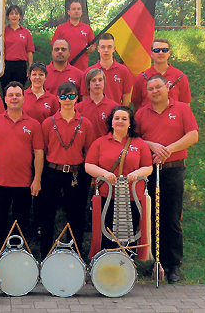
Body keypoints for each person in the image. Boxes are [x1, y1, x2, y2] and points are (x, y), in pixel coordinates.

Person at [135, 74, 198, 283]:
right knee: (151, 217)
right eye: (150, 88)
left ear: (167, 87)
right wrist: (151, 145)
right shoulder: (141, 113)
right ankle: (155, 262)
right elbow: (134, 138)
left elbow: (192, 135)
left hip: (173, 169)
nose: (154, 91)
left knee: (171, 218)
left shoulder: (181, 109)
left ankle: (173, 265)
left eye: (158, 87)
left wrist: (168, 150)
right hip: (149, 171)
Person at [0, 81, 44, 253]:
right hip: (0, 182)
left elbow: (39, 153)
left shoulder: (33, 124)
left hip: (24, 183)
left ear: (23, 98)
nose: (14, 98)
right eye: (11, 95)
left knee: (21, 224)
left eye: (17, 95)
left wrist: (37, 179)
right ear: (5, 99)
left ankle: (18, 257)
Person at [85, 106, 153, 250]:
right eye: (117, 118)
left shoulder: (139, 143)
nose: (120, 121)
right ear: (111, 122)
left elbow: (148, 167)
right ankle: (107, 265)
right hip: (107, 196)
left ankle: (127, 266)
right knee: (107, 232)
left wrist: (137, 173)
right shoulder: (100, 142)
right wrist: (104, 173)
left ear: (130, 123)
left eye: (124, 119)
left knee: (129, 234)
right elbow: (89, 165)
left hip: (132, 196)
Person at [40, 82, 94, 259]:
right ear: (58, 98)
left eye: (71, 96)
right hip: (52, 172)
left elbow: (88, 151)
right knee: (47, 215)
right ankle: (45, 255)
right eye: (63, 96)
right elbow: (45, 149)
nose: (67, 100)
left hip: (76, 174)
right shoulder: (48, 123)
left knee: (77, 215)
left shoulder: (85, 124)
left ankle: (75, 255)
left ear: (77, 97)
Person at [132, 38, 191, 112]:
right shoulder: (141, 78)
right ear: (151, 54)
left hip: (173, 120)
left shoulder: (180, 77)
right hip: (147, 121)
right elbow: (136, 105)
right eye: (156, 50)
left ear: (169, 53)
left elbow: (185, 105)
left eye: (164, 50)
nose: (160, 53)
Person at [83, 33, 134, 106]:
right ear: (98, 49)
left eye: (109, 47)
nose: (106, 50)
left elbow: (126, 98)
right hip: (94, 115)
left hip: (115, 115)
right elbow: (85, 98)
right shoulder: (89, 72)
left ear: (114, 49)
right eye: (103, 47)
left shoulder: (123, 71)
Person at [76, 68, 119, 140]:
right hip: (86, 150)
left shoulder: (114, 107)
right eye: (93, 80)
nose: (97, 83)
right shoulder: (78, 108)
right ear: (88, 84)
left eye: (100, 80)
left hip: (107, 148)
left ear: (104, 83)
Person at [51, 1, 96, 71]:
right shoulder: (61, 28)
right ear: (68, 12)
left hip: (82, 67)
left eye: (78, 9)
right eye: (74, 9)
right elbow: (54, 47)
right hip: (64, 67)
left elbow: (93, 46)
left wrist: (91, 49)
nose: (76, 11)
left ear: (81, 12)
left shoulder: (87, 28)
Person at [0, 5, 35, 90]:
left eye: (16, 13)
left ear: (20, 16)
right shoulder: (3, 31)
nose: (14, 16)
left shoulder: (26, 32)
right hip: (6, 66)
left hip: (21, 66)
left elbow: (29, 51)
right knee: (6, 92)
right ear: (8, 16)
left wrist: (30, 69)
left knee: (19, 91)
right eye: (11, 14)